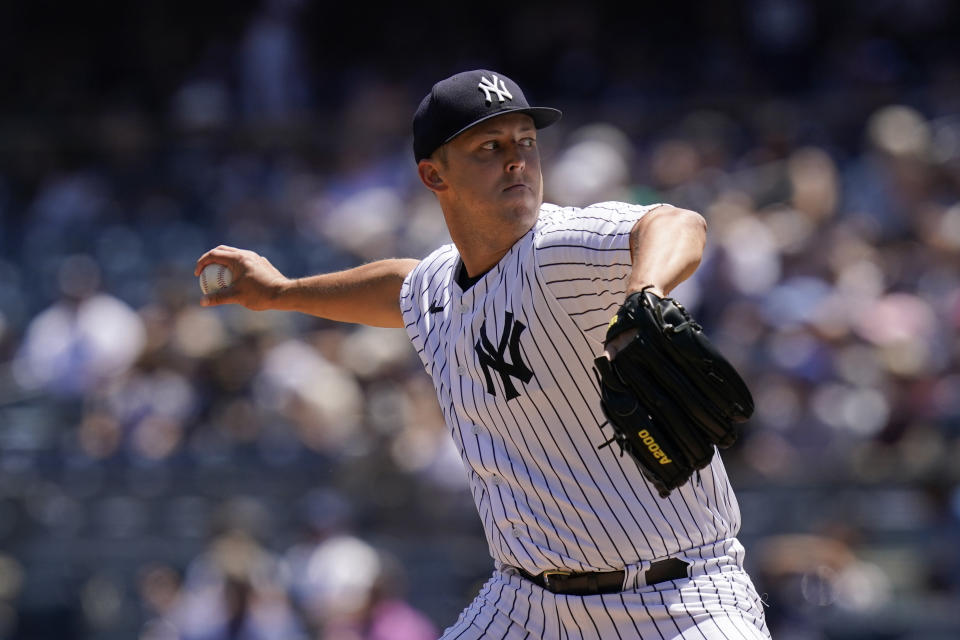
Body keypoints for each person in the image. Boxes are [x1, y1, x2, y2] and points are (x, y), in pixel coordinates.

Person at [196, 69, 771, 638]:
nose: (516, 159)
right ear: (433, 174)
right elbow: (398, 285)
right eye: (489, 147)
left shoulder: (556, 250)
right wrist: (281, 293)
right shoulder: (438, 287)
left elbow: (674, 222)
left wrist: (643, 291)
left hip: (679, 599)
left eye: (526, 142)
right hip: (525, 605)